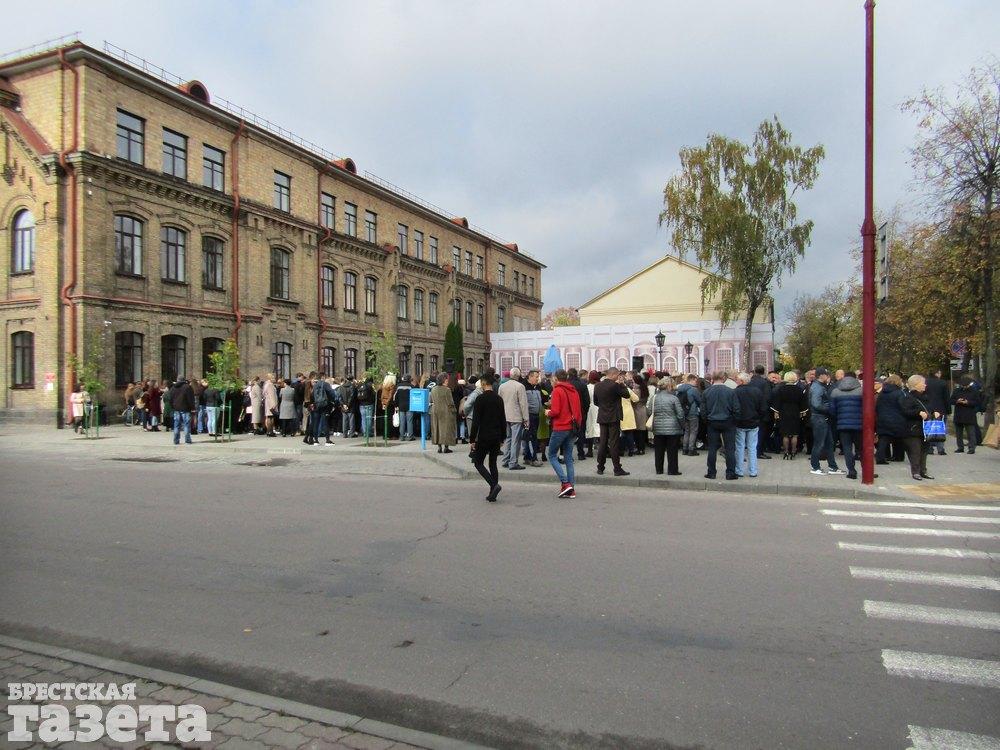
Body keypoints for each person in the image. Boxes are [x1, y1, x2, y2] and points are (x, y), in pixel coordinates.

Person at [545, 369, 583, 497]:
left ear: (556, 378)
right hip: (572, 427)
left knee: (551, 455)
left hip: (560, 427)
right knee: (568, 458)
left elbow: (555, 411)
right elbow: (578, 410)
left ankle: (565, 483)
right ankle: (571, 489)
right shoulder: (573, 390)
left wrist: (548, 412)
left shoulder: (557, 390)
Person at [469, 369, 506, 502]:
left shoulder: (480, 399)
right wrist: (503, 437)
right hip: (496, 435)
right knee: (493, 463)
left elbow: (476, 421)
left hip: (484, 436)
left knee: (478, 462)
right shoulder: (499, 399)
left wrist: (472, 439)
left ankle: (493, 485)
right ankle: (492, 493)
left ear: (484, 383)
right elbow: (502, 419)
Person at [593, 368, 631, 476]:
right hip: (614, 417)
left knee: (603, 442)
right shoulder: (615, 386)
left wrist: (604, 408)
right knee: (614, 443)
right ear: (613, 374)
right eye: (618, 375)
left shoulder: (598, 385)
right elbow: (627, 394)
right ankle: (617, 468)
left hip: (602, 416)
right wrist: (622, 384)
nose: (618, 377)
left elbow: (596, 402)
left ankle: (600, 467)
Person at [703, 372, 741, 480]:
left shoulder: (706, 392)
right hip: (728, 422)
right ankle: (730, 473)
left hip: (712, 422)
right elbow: (736, 408)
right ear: (723, 378)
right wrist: (734, 420)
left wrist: (706, 421)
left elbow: (703, 410)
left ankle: (711, 472)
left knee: (712, 448)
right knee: (730, 448)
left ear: (713, 378)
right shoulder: (730, 391)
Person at [808, 368, 844, 476]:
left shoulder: (818, 386)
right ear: (821, 375)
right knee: (819, 444)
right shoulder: (818, 387)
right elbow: (816, 404)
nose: (828, 377)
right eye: (826, 375)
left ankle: (833, 467)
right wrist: (830, 408)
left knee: (829, 443)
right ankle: (815, 467)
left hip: (821, 418)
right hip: (819, 418)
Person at [646, 378, 686, 475]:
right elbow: (680, 414)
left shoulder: (654, 398)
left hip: (658, 428)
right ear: (669, 386)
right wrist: (682, 425)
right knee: (672, 451)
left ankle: (659, 469)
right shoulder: (674, 398)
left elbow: (649, 412)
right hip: (673, 428)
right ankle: (672, 470)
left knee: (659, 450)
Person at [901, 374, 936, 480]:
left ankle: (923, 471)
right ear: (916, 385)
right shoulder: (908, 397)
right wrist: (918, 413)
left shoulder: (926, 397)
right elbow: (905, 411)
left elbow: (929, 409)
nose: (925, 385)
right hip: (913, 429)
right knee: (915, 451)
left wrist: (934, 413)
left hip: (926, 428)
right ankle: (915, 472)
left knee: (924, 450)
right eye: (923, 383)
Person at [830, 372, 864, 479]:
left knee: (847, 448)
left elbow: (832, 410)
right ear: (855, 378)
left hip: (842, 425)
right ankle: (866, 471)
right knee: (862, 449)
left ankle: (852, 471)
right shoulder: (861, 391)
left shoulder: (836, 391)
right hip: (859, 425)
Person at [734, 372, 766, 478]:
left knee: (740, 447)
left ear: (741, 381)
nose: (736, 381)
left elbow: (734, 407)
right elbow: (763, 408)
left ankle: (739, 470)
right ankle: (753, 471)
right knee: (752, 447)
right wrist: (758, 418)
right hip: (754, 423)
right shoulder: (757, 391)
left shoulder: (735, 392)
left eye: (737, 380)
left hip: (740, 423)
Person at [498, 367, 529, 470]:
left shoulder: (502, 386)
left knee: (508, 439)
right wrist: (526, 418)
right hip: (516, 416)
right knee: (516, 440)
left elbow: (499, 402)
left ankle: (505, 460)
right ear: (519, 376)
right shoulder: (520, 386)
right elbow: (523, 404)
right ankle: (513, 462)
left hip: (504, 416)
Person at [771, 371, 807, 459]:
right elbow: (803, 403)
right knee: (795, 434)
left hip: (784, 412)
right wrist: (802, 412)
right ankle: (793, 452)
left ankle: (786, 452)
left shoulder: (781, 389)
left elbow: (777, 402)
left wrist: (776, 412)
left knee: (785, 434)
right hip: (795, 412)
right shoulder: (799, 389)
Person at [875, 374, 907, 464]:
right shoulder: (899, 393)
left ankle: (881, 456)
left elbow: (877, 406)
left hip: (882, 418)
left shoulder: (882, 393)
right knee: (898, 438)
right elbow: (903, 406)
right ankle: (898, 456)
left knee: (884, 438)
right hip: (897, 418)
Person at [950, 375, 982, 454]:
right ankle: (960, 447)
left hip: (969, 413)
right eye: (963, 385)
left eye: (966, 385)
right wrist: (957, 401)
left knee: (971, 432)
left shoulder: (974, 391)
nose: (964, 387)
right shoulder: (957, 390)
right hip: (959, 413)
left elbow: (977, 402)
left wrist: (968, 402)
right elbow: (951, 400)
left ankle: (972, 448)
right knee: (958, 433)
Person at [431, 373, 458, 453]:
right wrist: (454, 411)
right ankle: (446, 447)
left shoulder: (433, 389)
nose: (447, 381)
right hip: (446, 411)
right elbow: (450, 402)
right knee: (446, 429)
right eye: (446, 379)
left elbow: (431, 400)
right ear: (444, 380)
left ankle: (439, 447)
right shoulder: (447, 390)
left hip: (435, 411)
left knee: (437, 428)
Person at [568, 368, 592, 460]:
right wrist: (585, 411)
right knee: (581, 433)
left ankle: (568, 454)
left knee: (569, 434)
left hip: (568, 412)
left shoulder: (566, 384)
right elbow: (587, 400)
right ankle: (580, 453)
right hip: (581, 412)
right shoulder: (582, 385)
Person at [676, 374, 702, 456]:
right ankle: (691, 449)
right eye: (695, 381)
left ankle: (684, 449)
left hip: (683, 412)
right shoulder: (693, 390)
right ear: (691, 380)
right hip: (692, 412)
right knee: (693, 431)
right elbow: (699, 401)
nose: (696, 382)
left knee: (686, 431)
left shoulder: (679, 389)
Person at [523, 370, 544, 466]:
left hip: (536, 415)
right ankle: (533, 458)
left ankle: (527, 457)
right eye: (536, 376)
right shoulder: (524, 387)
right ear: (530, 377)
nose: (537, 379)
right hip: (529, 416)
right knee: (532, 437)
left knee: (531, 436)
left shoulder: (538, 387)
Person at [168, 376, 195, 445]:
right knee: (186, 425)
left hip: (176, 409)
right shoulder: (187, 387)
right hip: (185, 408)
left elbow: (170, 399)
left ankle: (176, 440)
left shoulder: (173, 388)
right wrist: (192, 408)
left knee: (176, 425)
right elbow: (190, 399)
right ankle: (187, 440)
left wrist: (172, 406)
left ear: (177, 380)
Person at [584, 370, 600, 458]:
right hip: (599, 407)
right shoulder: (600, 386)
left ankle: (590, 450)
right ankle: (603, 449)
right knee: (599, 428)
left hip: (590, 409)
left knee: (590, 428)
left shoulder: (587, 387)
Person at [395, 375, 413, 441]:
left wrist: (396, 405)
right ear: (409, 379)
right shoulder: (411, 386)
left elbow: (395, 397)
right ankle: (410, 436)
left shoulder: (398, 386)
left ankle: (401, 436)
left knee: (402, 422)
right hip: (410, 406)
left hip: (401, 406)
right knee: (409, 421)